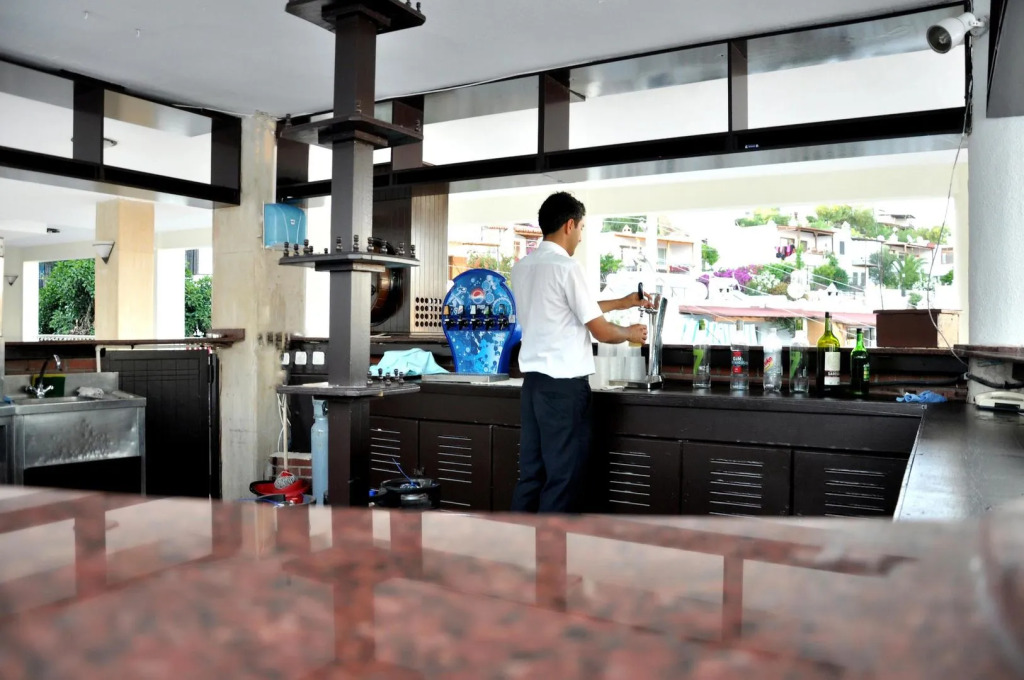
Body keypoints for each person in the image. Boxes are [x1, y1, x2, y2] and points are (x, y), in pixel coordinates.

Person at [510, 191, 651, 513]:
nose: (582, 236)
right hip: (563, 389)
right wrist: (629, 333)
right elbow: (600, 330)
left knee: (531, 475)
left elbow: (569, 307)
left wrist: (623, 302)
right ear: (570, 225)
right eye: (582, 228)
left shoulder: (523, 268)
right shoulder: (566, 267)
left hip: (533, 386)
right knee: (563, 478)